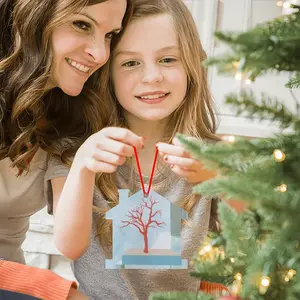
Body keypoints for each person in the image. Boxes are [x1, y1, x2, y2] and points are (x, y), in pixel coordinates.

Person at [46, 0, 222, 299]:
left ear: (191, 64)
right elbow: (69, 246)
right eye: (130, 63)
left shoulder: (210, 155)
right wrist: (83, 168)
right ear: (108, 75)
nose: (152, 76)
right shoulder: (76, 151)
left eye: (168, 59)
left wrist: (220, 179)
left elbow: (253, 236)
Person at [0, 0, 132, 298]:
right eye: (82, 25)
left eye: (110, 35)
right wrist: (58, 292)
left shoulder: (71, 115)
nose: (100, 54)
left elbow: (75, 240)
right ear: (32, 14)